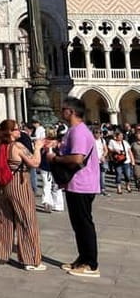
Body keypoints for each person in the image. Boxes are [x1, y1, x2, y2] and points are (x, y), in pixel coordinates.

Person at [46, 97, 101, 278]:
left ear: (71, 111)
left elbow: (77, 159)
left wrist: (55, 159)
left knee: (84, 224)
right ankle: (82, 259)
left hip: (82, 184)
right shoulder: (73, 131)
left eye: (63, 110)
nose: (61, 112)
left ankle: (91, 264)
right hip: (76, 184)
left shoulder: (79, 132)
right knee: (78, 224)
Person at [0, 119, 45, 271]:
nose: (19, 131)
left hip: (2, 185)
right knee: (26, 219)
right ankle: (30, 260)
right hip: (18, 184)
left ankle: (1, 253)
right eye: (16, 129)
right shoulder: (17, 146)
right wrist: (38, 148)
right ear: (9, 132)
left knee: (4, 219)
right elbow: (34, 163)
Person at [39, 129, 64, 213]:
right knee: (53, 185)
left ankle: (51, 203)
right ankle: (51, 203)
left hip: (50, 166)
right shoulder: (56, 143)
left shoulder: (43, 143)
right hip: (49, 166)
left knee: (49, 185)